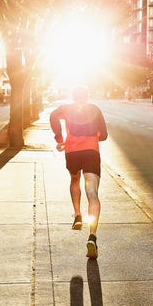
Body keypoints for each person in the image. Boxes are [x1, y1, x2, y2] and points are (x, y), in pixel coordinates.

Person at [49, 86, 108, 259]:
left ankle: (77, 215)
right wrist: (94, 134)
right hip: (91, 151)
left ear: (73, 97)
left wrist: (59, 138)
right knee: (92, 193)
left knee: (74, 180)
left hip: (72, 152)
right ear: (87, 96)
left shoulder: (66, 109)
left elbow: (53, 116)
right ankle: (92, 236)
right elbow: (104, 135)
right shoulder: (95, 109)